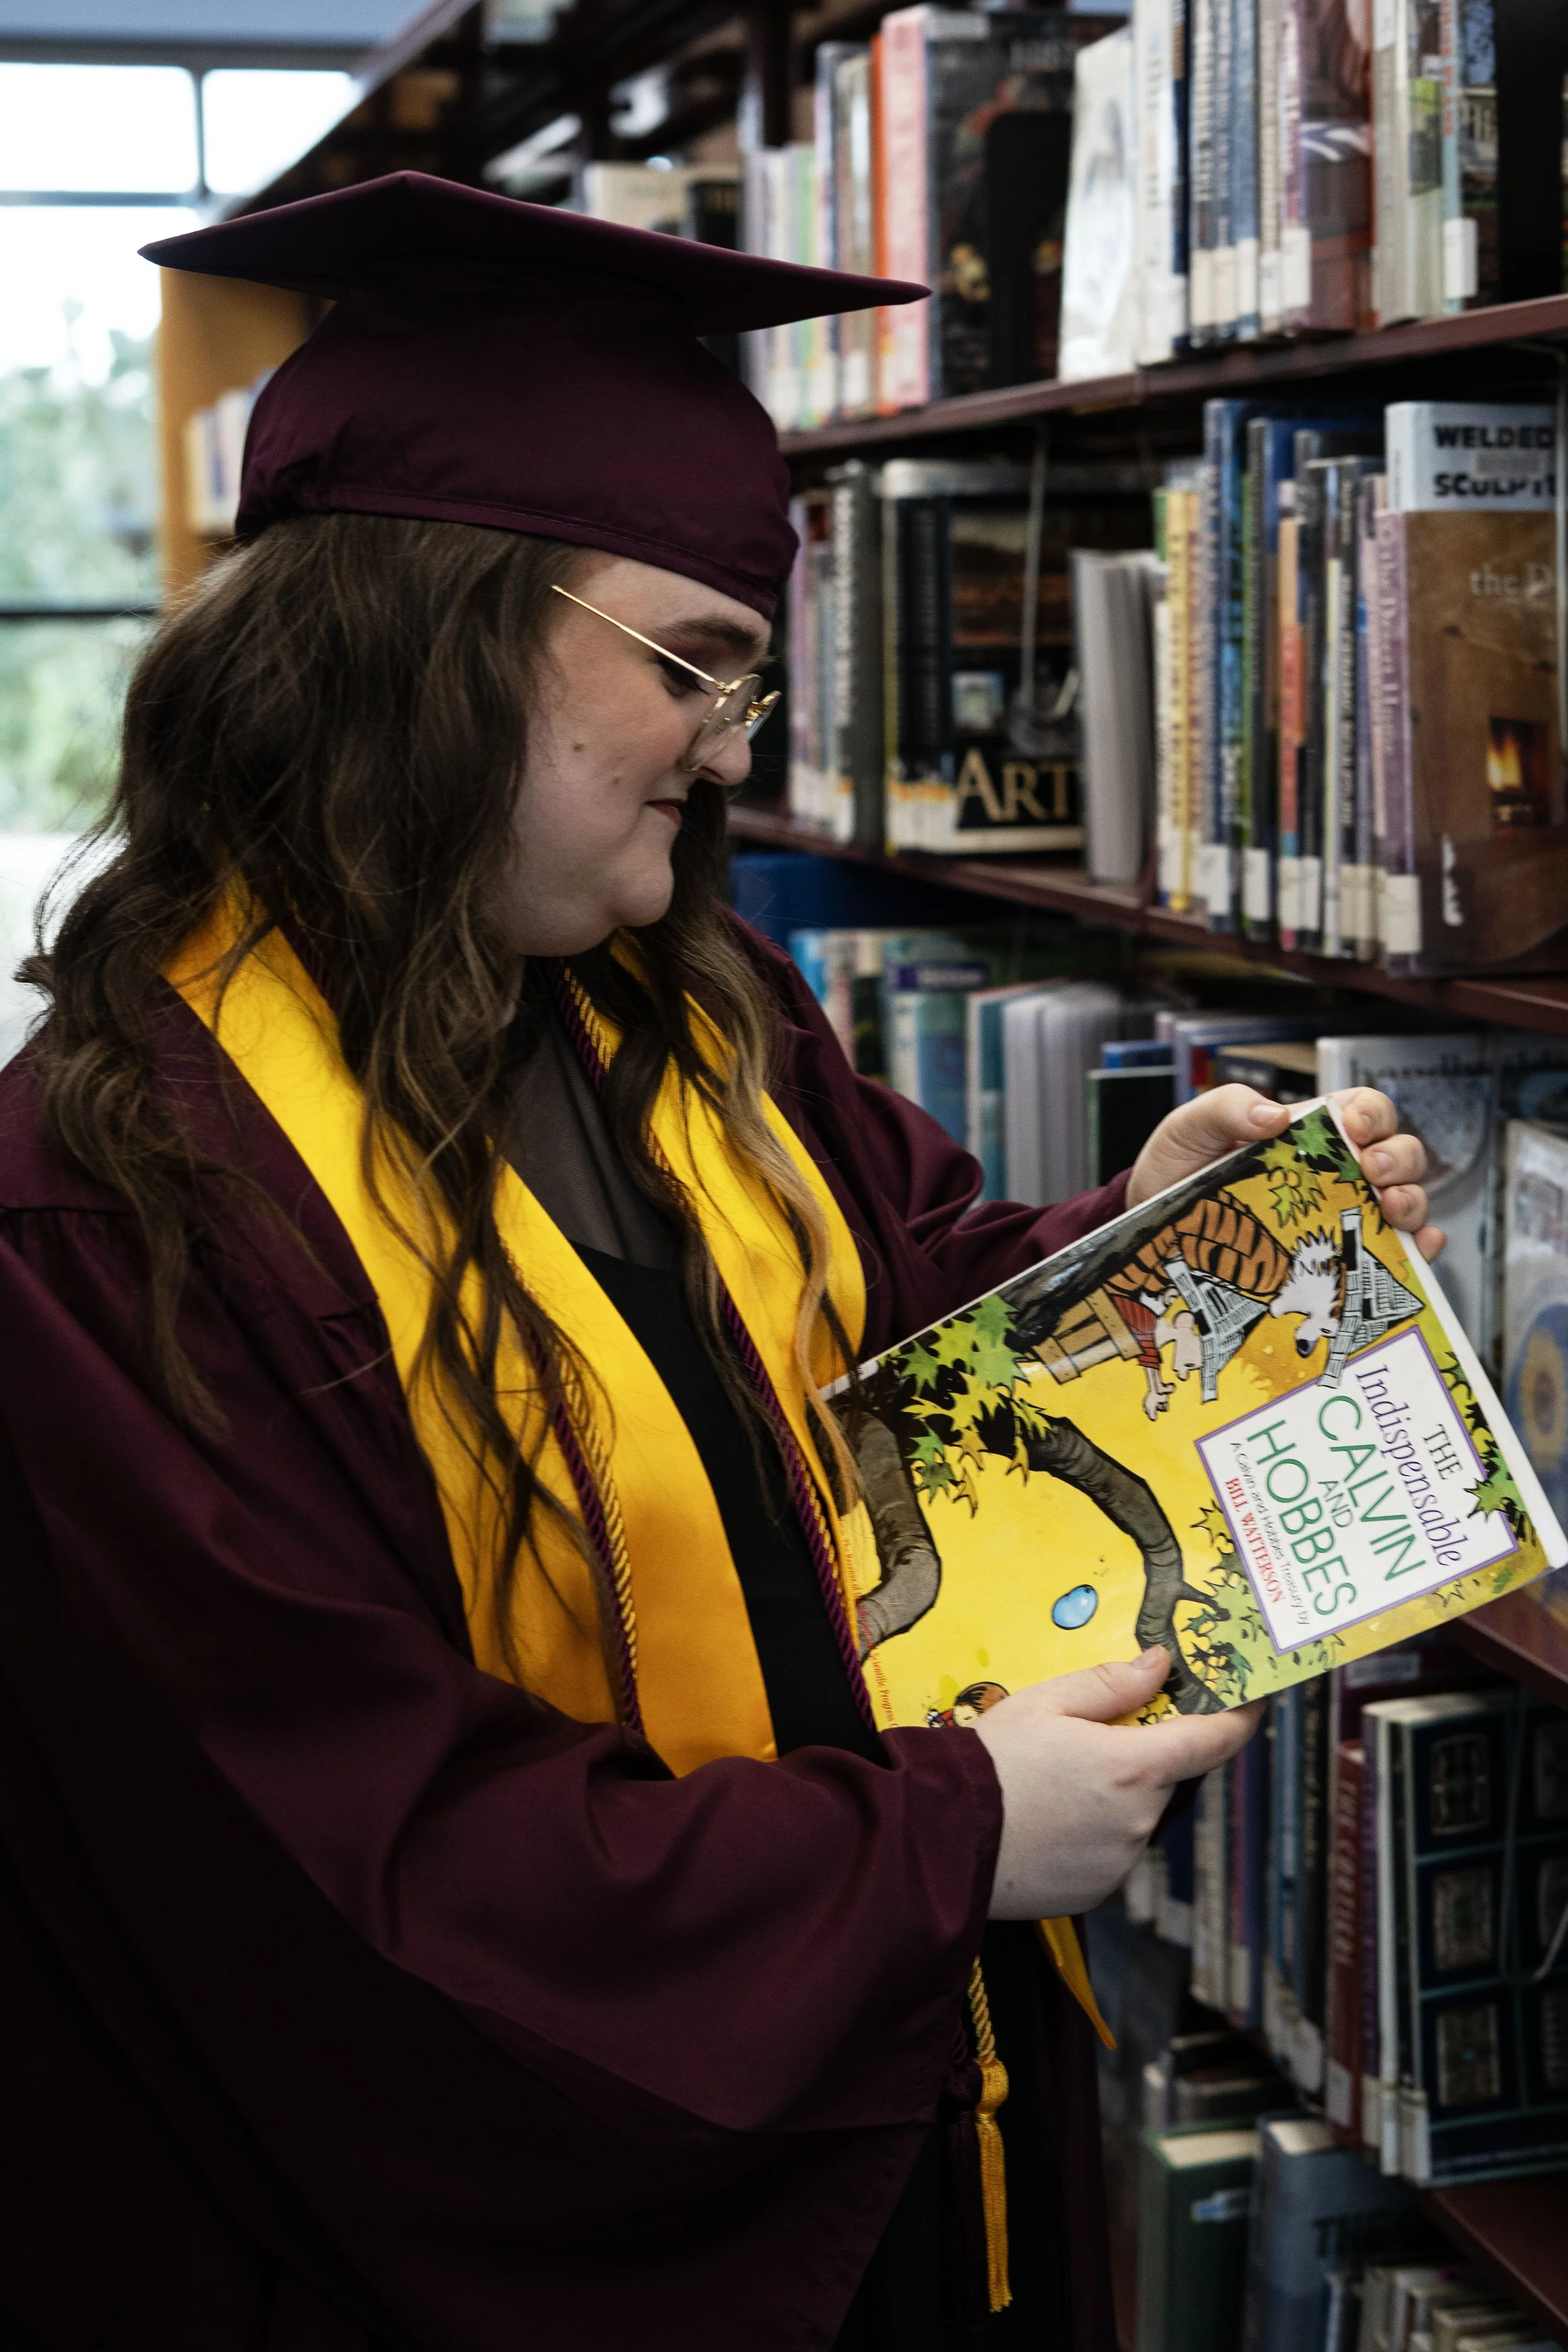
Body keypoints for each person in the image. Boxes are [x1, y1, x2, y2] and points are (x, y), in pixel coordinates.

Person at [0, 174, 1438, 2352]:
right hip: (516, 2239)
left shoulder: (683, 1001)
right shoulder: (122, 1201)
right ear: (438, 631)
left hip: (870, 2117)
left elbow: (884, 1317)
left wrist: (1154, 1250)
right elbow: (341, 1877)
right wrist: (938, 1845)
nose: (735, 739)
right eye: (699, 660)